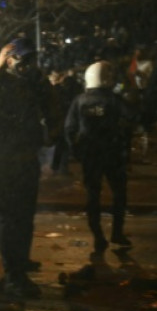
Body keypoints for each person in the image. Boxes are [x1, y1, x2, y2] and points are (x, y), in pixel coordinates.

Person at [0, 39, 60, 298]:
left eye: (30, 59)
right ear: (8, 59)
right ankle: (13, 275)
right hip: (2, 160)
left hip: (27, 158)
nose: (27, 64)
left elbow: (53, 110)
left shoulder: (36, 83)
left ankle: (18, 267)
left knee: (24, 217)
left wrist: (51, 133)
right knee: (10, 218)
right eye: (22, 59)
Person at [65, 61, 134, 253]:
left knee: (93, 196)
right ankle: (117, 233)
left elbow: (69, 129)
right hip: (112, 153)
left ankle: (98, 236)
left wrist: (77, 151)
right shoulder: (114, 100)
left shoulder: (79, 100)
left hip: (91, 155)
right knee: (119, 194)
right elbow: (132, 117)